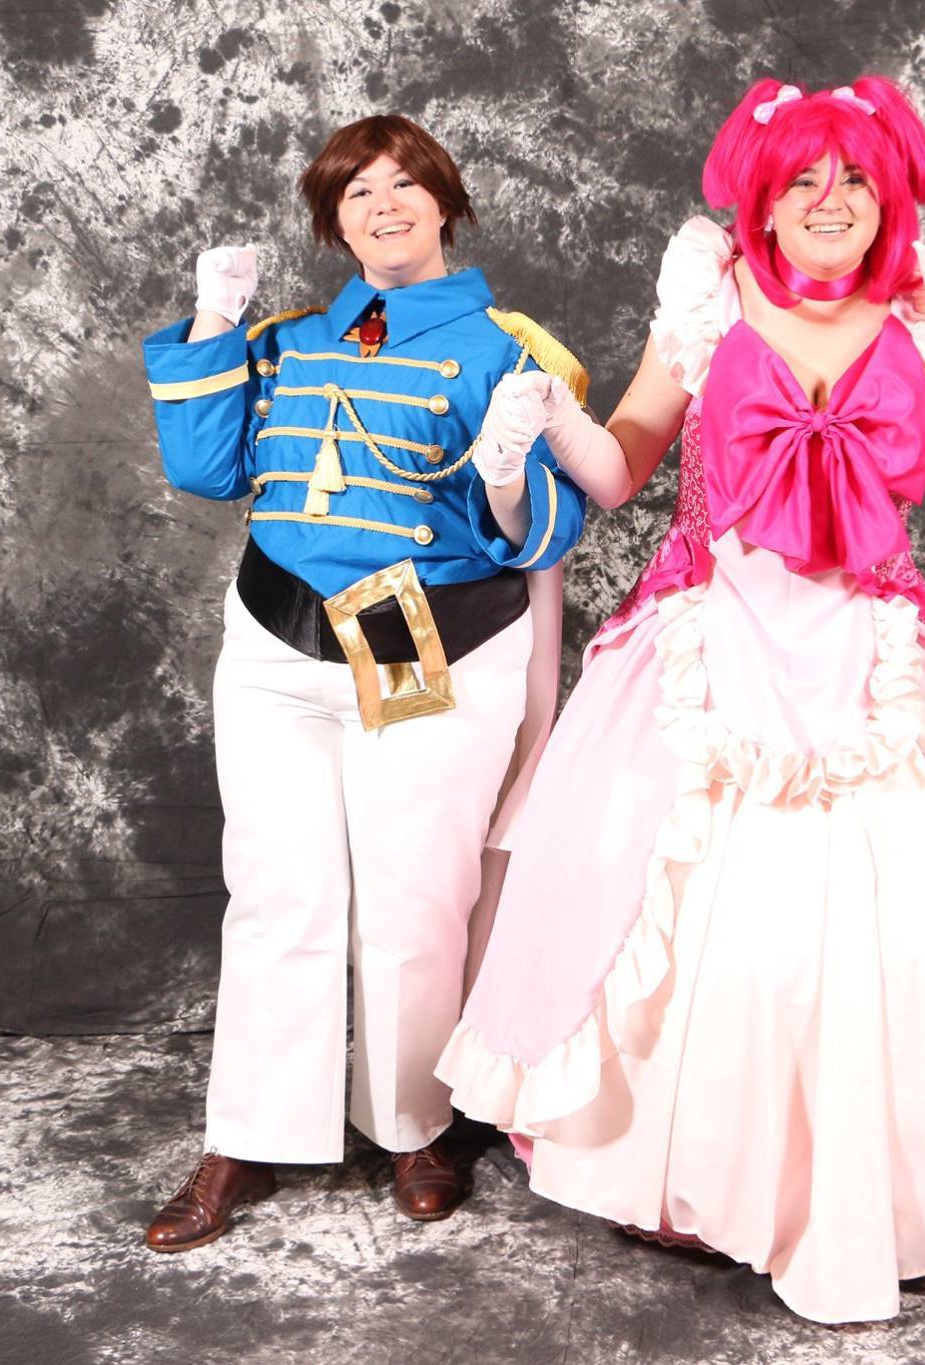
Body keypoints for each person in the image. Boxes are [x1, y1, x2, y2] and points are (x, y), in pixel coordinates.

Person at [436, 77, 925, 1322]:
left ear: (886, 200)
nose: (829, 201)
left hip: (870, 648)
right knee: (674, 910)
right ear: (762, 203)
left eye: (854, 181)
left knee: (916, 915)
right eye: (801, 182)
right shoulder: (705, 299)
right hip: (710, 637)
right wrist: (549, 417)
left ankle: (890, 1192)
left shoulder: (917, 312)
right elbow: (618, 472)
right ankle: (707, 1183)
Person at [138, 113, 589, 1251]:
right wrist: (214, 321)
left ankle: (413, 1126)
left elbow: (541, 536)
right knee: (275, 891)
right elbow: (206, 468)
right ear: (333, 223)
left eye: (403, 185)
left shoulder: (505, 348)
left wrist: (506, 468)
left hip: (416, 633)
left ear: (445, 203)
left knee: (412, 895)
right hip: (275, 632)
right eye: (356, 194)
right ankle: (247, 1136)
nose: (383, 207)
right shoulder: (289, 341)